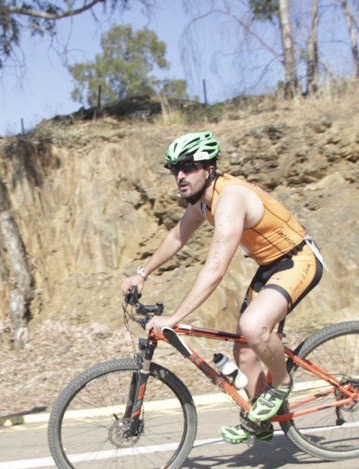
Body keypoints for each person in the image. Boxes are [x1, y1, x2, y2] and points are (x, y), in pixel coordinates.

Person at [119, 131, 325, 444]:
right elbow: (177, 236)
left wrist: (174, 317)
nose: (181, 176)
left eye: (188, 167)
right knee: (244, 354)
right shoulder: (203, 202)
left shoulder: (230, 199)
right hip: (270, 267)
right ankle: (263, 418)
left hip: (298, 260)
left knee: (253, 326)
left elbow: (215, 268)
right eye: (175, 169)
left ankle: (281, 384)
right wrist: (142, 273)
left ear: (209, 168)